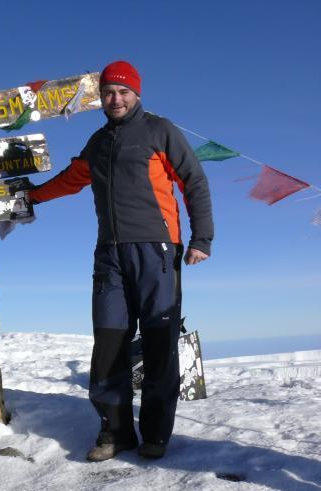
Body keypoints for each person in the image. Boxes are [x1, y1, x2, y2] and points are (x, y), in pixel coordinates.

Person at [26, 61, 214, 461]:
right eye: (108, 92)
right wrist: (33, 197)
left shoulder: (160, 130)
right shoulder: (98, 142)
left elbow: (194, 180)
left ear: (136, 94)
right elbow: (72, 178)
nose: (115, 99)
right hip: (109, 254)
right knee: (109, 341)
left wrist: (202, 238)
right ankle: (114, 432)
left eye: (122, 92)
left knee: (160, 343)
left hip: (157, 250)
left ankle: (155, 435)